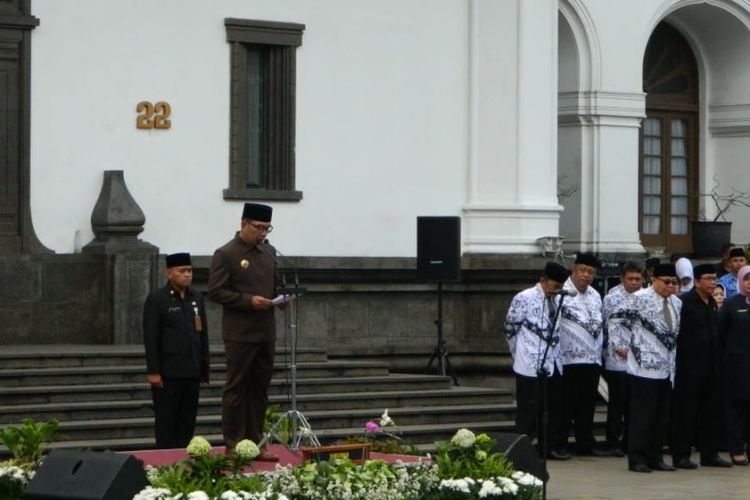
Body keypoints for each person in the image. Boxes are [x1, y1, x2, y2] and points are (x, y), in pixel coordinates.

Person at [208, 202, 282, 461]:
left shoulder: (269, 253)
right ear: (244, 224)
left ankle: (255, 442)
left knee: (260, 388)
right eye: (258, 228)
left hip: (265, 331)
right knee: (237, 387)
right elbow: (216, 291)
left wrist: (282, 299)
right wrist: (247, 301)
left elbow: (275, 285)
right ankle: (232, 443)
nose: (262, 233)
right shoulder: (226, 253)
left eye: (266, 228)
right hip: (240, 332)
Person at [609, 263, 681, 473]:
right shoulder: (639, 298)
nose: (670, 286)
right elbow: (616, 319)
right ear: (654, 280)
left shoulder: (677, 303)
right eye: (666, 282)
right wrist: (621, 346)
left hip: (667, 367)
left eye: (673, 282)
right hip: (643, 367)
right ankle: (637, 458)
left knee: (661, 416)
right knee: (642, 416)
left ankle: (655, 456)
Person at [504, 261, 571, 460]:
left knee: (551, 408)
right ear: (543, 280)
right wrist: (520, 354)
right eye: (554, 286)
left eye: (560, 287)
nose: (557, 291)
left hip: (553, 362)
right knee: (529, 410)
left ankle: (547, 447)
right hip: (529, 362)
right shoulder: (524, 298)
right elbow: (510, 329)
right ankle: (521, 449)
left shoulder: (558, 299)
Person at [143, 252, 209, 449]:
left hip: (192, 370)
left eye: (189, 270)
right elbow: (151, 337)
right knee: (167, 419)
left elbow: (202, 334)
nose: (187, 275)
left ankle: (184, 456)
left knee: (188, 418)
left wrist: (204, 367)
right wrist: (153, 370)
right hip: (169, 372)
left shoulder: (196, 297)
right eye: (182, 271)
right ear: (169, 273)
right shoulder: (157, 299)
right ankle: (166, 459)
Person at [670, 264, 731, 469]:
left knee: (710, 412)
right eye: (708, 278)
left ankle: (709, 454)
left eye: (714, 278)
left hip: (712, 366)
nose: (712, 282)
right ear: (696, 281)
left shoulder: (713, 302)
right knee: (686, 413)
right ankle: (681, 455)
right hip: (690, 367)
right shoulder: (684, 302)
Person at [557, 253, 605, 456]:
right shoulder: (562, 292)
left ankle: (585, 443)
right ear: (574, 270)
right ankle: (559, 443)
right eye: (582, 271)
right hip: (568, 359)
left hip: (592, 358)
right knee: (565, 405)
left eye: (591, 272)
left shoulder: (595, 294)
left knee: (587, 405)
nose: (586, 275)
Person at [602, 261, 644, 457]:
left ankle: (630, 440)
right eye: (630, 279)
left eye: (638, 279)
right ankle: (613, 441)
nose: (634, 283)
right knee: (617, 403)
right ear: (622, 278)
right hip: (617, 359)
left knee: (634, 404)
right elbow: (609, 325)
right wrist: (620, 348)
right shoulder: (612, 298)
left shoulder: (645, 296)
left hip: (639, 359)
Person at [719, 265, 750, 466]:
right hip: (737, 367)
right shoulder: (731, 304)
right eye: (746, 279)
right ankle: (737, 448)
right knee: (737, 409)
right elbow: (721, 335)